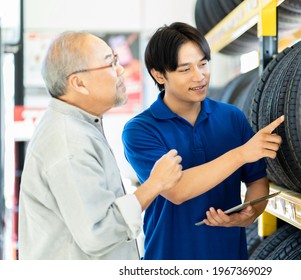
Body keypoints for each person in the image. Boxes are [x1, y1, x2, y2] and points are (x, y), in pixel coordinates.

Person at [122, 22, 284, 260]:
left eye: (203, 64)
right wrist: (240, 154)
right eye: (185, 69)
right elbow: (176, 190)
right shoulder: (140, 130)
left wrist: (249, 214)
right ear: (159, 74)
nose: (200, 76)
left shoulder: (232, 118)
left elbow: (257, 182)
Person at [18, 31, 183, 260]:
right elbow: (98, 234)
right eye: (111, 63)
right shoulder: (69, 143)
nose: (121, 69)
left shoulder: (80, 126)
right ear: (79, 83)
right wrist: (154, 184)